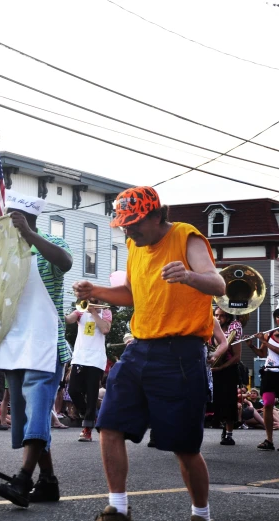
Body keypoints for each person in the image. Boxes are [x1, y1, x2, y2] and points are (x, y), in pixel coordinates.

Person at [73, 186, 225, 521]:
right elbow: (130, 293)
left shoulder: (187, 236)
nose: (127, 230)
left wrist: (188, 275)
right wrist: (94, 289)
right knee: (109, 425)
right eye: (124, 225)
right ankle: (118, 508)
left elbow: (218, 285)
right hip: (138, 348)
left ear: (157, 216)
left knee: (184, 447)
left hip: (182, 354)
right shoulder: (133, 244)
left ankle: (201, 514)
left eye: (133, 223)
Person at [0, 191, 73, 508]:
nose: (8, 222)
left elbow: (65, 263)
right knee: (27, 418)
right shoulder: (6, 255)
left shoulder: (50, 245)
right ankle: (49, 483)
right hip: (15, 345)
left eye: (14, 217)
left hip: (45, 343)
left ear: (27, 219)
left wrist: (29, 235)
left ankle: (24, 478)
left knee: (38, 412)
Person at [65, 298, 112, 442]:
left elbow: (105, 329)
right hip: (79, 357)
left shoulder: (106, 312)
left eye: (94, 298)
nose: (91, 300)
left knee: (92, 395)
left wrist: (94, 313)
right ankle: (90, 416)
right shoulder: (80, 310)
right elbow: (69, 320)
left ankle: (87, 429)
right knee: (73, 390)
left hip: (96, 359)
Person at [248, 308, 279, 450]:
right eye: (277, 317)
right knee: (267, 404)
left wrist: (263, 341)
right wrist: (252, 345)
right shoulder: (269, 335)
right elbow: (262, 353)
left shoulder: (266, 338)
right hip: (269, 373)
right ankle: (269, 439)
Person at [210, 309, 242, 445]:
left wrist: (222, 367)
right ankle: (220, 424)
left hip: (228, 371)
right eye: (216, 315)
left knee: (229, 401)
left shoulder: (233, 330)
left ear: (228, 317)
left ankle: (229, 433)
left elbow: (237, 356)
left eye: (222, 315)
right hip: (212, 370)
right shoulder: (211, 329)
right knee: (212, 400)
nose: (218, 318)